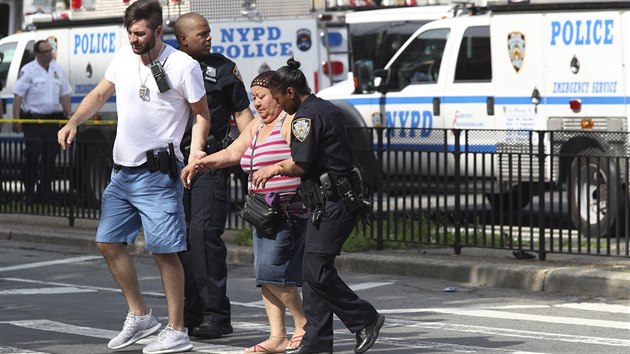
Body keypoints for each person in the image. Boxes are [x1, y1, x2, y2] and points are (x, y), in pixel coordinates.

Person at [57, 1, 210, 353]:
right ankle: (140, 315)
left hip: (157, 175)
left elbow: (201, 115)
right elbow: (98, 94)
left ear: (158, 32)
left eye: (140, 33)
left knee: (165, 251)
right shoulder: (124, 58)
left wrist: (197, 149)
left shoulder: (183, 65)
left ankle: (177, 329)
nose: (133, 39)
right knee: (108, 243)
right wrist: (73, 123)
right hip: (121, 172)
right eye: (130, 33)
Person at [251, 59, 385, 354]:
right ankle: (316, 342)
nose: (276, 104)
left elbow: (300, 165)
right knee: (312, 274)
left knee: (316, 272)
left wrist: (272, 170)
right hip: (332, 201)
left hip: (333, 203)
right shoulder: (327, 108)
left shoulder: (303, 118)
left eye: (277, 98)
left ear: (289, 91)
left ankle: (365, 318)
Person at [181, 70, 308, 353]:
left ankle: (303, 324)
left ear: (277, 95)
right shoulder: (256, 126)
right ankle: (277, 336)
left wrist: (274, 169)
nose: (257, 104)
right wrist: (201, 163)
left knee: (274, 272)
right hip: (261, 212)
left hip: (286, 210)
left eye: (262, 97)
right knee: (264, 277)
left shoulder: (289, 122)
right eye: (253, 98)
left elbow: (302, 158)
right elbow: (232, 153)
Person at [173, 12, 254, 339]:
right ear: (183, 39)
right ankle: (187, 313)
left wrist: (254, 156)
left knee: (204, 237)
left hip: (209, 160)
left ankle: (215, 315)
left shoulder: (222, 67)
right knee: (177, 241)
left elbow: (242, 113)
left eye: (209, 32)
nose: (209, 37)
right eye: (202, 33)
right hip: (174, 163)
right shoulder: (168, 66)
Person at [13, 39, 71, 204]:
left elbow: (64, 95)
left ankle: (45, 194)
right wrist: (17, 120)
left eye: (50, 50)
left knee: (49, 158)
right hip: (33, 122)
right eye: (45, 51)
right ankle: (29, 193)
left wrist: (69, 117)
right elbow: (18, 97)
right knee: (32, 157)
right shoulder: (28, 70)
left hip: (52, 122)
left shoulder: (57, 70)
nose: (49, 54)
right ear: (37, 54)